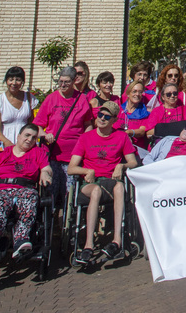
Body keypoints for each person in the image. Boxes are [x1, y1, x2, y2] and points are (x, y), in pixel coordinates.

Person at [0, 122, 52, 266]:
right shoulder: (2, 154)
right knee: (1, 202)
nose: (29, 140)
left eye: (33, 138)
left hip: (25, 188)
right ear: (18, 136)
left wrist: (45, 173)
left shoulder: (38, 153)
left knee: (30, 198)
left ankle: (21, 239)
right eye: (26, 135)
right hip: (0, 190)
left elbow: (46, 168)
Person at [68, 102, 137, 267]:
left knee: (120, 186)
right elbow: (71, 168)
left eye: (107, 117)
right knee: (96, 191)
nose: (102, 119)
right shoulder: (86, 138)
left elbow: (133, 162)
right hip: (92, 183)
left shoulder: (121, 137)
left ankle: (117, 241)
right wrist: (86, 171)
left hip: (111, 181)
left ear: (114, 120)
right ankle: (88, 245)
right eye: (100, 115)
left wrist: (122, 165)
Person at [33, 67, 94, 209]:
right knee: (53, 191)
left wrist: (85, 141)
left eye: (67, 82)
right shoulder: (51, 98)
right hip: (53, 153)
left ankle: (66, 222)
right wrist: (45, 134)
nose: (63, 85)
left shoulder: (82, 99)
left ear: (74, 81)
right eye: (60, 81)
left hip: (73, 156)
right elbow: (37, 126)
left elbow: (87, 124)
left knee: (69, 192)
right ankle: (52, 222)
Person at [0, 67, 38, 149]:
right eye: (11, 79)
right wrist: (7, 144)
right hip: (5, 144)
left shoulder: (29, 98)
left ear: (22, 82)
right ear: (6, 81)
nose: (14, 83)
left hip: (25, 143)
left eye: (18, 80)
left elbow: (31, 123)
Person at [118, 81, 153, 148]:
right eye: (134, 91)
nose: (137, 94)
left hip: (136, 148)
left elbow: (142, 131)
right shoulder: (119, 109)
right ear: (128, 94)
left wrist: (129, 133)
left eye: (140, 92)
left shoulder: (144, 112)